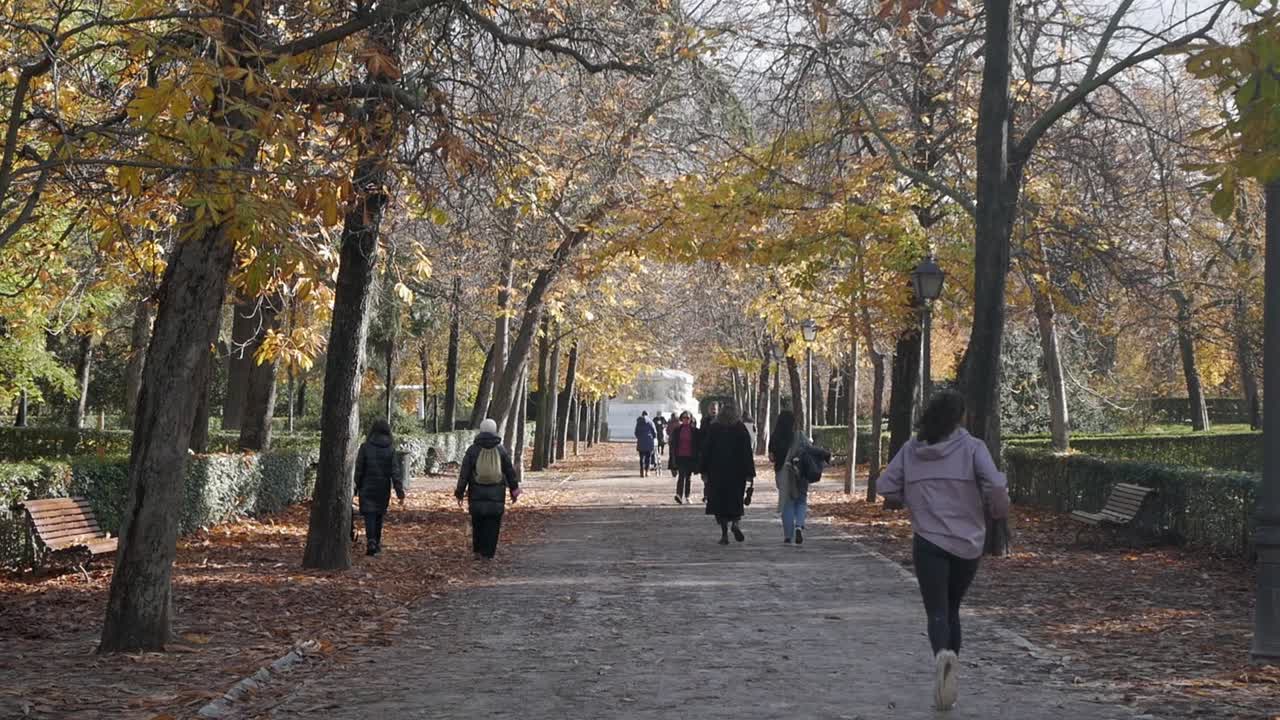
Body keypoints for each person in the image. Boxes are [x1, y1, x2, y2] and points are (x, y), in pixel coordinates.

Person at [877, 391, 1010, 711]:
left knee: (937, 610)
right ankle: (952, 668)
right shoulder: (973, 448)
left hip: (928, 542)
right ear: (959, 418)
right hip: (967, 543)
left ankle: (942, 657)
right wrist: (997, 511)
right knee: (953, 607)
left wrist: (911, 496)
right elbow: (995, 485)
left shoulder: (912, 450)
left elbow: (885, 485)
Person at [455, 418, 521, 560]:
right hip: (496, 495)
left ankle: (478, 551)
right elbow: (510, 472)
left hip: (476, 494)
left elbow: (464, 474)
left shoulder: (473, 450)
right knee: (493, 524)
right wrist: (514, 490)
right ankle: (488, 553)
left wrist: (459, 492)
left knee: (477, 523)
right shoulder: (501, 450)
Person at [768, 410, 831, 545]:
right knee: (801, 500)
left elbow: (772, 458)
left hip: (783, 473)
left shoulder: (774, 437)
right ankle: (799, 526)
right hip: (800, 471)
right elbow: (810, 449)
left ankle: (788, 535)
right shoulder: (800, 435)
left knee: (787, 502)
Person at [699, 404, 755, 545]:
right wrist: (750, 473)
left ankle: (724, 534)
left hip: (717, 472)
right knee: (735, 501)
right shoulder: (740, 428)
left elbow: (706, 450)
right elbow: (747, 452)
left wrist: (703, 470)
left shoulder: (714, 428)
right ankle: (735, 524)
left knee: (720, 504)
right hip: (737, 473)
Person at [354, 419, 405, 556]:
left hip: (367, 485)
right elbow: (395, 472)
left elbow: (359, 469)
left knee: (369, 514)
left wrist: (355, 486)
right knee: (379, 515)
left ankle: (371, 541)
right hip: (383, 487)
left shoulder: (365, 447)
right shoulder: (390, 449)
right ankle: (376, 541)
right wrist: (400, 492)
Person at [669, 411, 698, 504]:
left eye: (688, 418)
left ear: (691, 419)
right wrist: (672, 458)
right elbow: (673, 444)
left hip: (690, 456)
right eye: (684, 418)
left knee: (688, 477)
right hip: (680, 456)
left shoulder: (694, 431)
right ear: (681, 419)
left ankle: (687, 496)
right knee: (681, 476)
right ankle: (679, 495)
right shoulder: (677, 430)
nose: (686, 419)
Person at [634, 411, 657, 477]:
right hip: (649, 441)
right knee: (648, 457)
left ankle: (642, 471)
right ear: (647, 415)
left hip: (641, 441)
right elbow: (654, 432)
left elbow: (636, 432)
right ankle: (647, 471)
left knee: (641, 457)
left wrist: (639, 437)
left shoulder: (639, 422)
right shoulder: (650, 422)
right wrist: (654, 437)